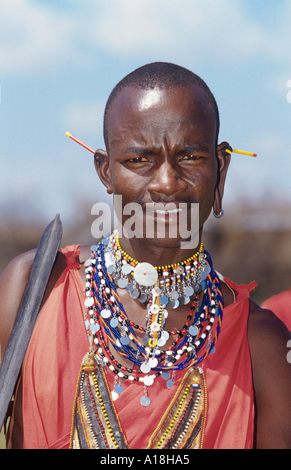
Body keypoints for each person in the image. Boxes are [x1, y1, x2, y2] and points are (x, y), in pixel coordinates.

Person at [1, 62, 291, 449]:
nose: (167, 182)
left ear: (220, 169)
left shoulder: (262, 345)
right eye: (139, 159)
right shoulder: (34, 288)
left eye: (190, 157)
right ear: (105, 172)